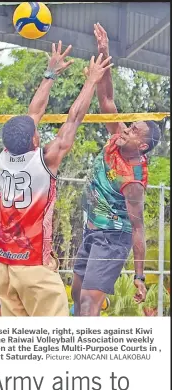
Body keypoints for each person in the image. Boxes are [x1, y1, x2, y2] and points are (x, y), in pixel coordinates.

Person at [0, 40, 113, 316]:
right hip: (32, 266)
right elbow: (73, 119)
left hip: (2, 264)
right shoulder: (44, 160)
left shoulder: (3, 158)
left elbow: (33, 113)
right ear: (34, 139)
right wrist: (91, 82)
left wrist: (50, 73)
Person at [72, 23, 161, 316]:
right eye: (129, 124)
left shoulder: (133, 180)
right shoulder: (116, 136)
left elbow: (138, 228)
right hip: (92, 229)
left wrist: (138, 276)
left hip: (113, 238)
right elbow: (107, 99)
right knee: (76, 295)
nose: (126, 129)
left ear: (143, 147)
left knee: (87, 302)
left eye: (133, 130)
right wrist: (105, 52)